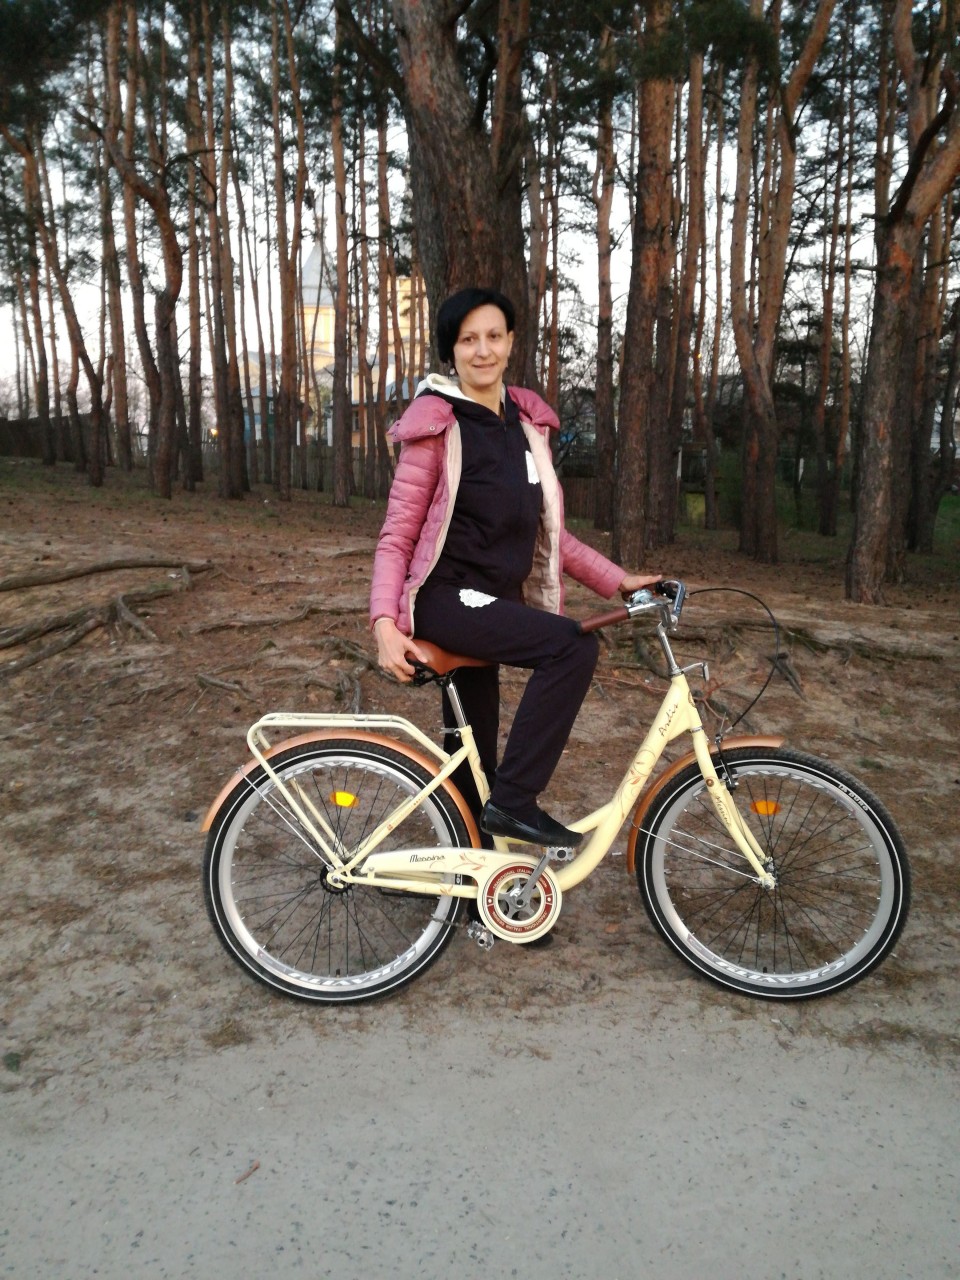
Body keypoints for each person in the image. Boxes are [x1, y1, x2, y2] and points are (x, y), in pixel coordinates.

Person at [370, 286, 662, 849]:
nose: (482, 350)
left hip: (492, 603)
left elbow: (549, 535)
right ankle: (515, 801)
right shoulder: (437, 425)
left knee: (472, 755)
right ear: (450, 351)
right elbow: (397, 535)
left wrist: (619, 580)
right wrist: (384, 622)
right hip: (447, 598)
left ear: (510, 343)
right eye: (467, 340)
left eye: (493, 336)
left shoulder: (526, 426)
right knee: (571, 647)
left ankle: (472, 880)